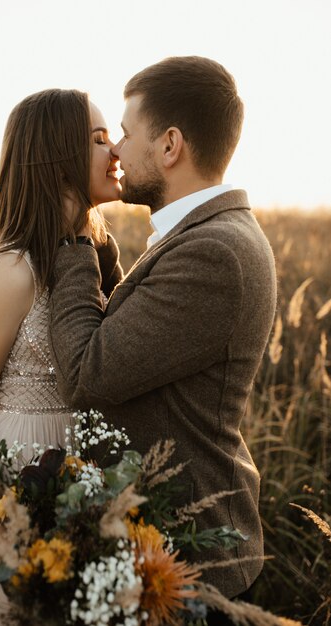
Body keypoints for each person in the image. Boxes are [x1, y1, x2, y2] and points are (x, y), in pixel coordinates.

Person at [48, 56, 277, 620]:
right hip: (168, 550)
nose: (117, 151)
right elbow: (149, 335)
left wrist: (75, 244)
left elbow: (88, 372)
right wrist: (104, 255)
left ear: (170, 144)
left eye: (125, 133)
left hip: (190, 565)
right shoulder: (207, 233)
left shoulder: (214, 252)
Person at [0, 88, 123, 626]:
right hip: (14, 483)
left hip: (83, 484)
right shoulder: (17, 268)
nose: (115, 150)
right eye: (97, 139)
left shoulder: (92, 257)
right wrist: (6, 533)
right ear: (57, 157)